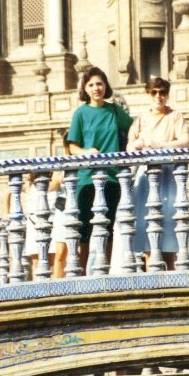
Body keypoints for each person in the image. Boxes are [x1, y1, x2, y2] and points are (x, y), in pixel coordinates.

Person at [66, 66, 132, 270]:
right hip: (87, 178)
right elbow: (72, 147)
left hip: (112, 177)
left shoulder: (114, 111)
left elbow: (135, 128)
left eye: (99, 84)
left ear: (105, 86)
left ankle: (105, 270)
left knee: (108, 226)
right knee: (85, 227)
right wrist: (87, 152)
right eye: (91, 85)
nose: (96, 88)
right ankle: (83, 274)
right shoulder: (80, 113)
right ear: (85, 88)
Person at [127, 77, 189, 270]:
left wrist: (159, 146)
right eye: (154, 92)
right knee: (147, 224)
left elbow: (185, 141)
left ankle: (171, 274)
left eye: (162, 92)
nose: (158, 96)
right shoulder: (141, 119)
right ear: (148, 94)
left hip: (168, 176)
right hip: (146, 177)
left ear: (167, 95)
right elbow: (129, 145)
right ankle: (150, 274)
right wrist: (137, 145)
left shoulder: (175, 117)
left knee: (169, 224)